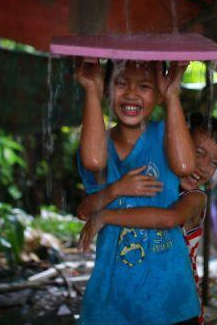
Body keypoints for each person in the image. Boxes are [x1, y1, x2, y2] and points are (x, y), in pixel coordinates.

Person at [75, 59, 201, 325]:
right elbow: (89, 188)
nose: (131, 94)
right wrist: (92, 90)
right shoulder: (97, 144)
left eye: (144, 86)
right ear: (108, 90)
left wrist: (172, 96)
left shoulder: (166, 135)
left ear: (158, 95)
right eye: (121, 83)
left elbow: (185, 165)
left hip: (168, 296)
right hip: (113, 298)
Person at [78, 113, 217, 325]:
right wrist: (116, 189)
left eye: (214, 163)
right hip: (133, 300)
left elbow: (170, 219)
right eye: (197, 153)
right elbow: (83, 211)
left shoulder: (195, 198)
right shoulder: (150, 182)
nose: (203, 167)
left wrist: (105, 216)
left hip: (174, 305)